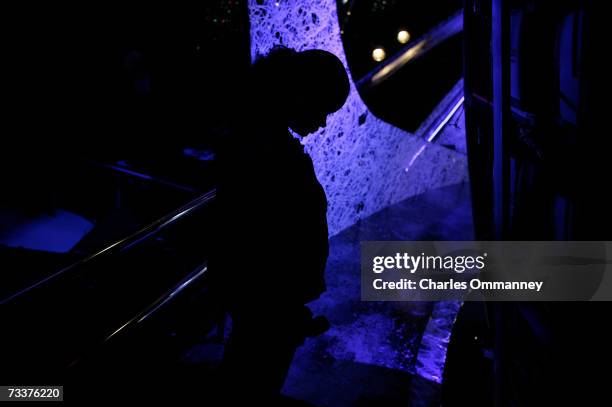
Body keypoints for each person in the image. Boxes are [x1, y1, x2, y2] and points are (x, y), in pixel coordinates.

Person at [210, 46, 350, 400]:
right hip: (269, 306)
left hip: (267, 304)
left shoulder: (256, 140)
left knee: (247, 378)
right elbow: (267, 238)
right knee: (253, 383)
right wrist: (283, 310)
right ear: (300, 95)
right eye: (322, 109)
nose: (322, 123)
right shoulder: (267, 152)